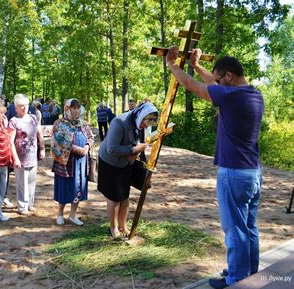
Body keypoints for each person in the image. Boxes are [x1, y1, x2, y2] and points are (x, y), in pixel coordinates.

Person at [166, 46, 264, 289]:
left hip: (234, 173)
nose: (217, 81)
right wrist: (197, 65)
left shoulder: (231, 97)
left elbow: (194, 86)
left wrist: (173, 65)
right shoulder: (253, 94)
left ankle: (237, 280)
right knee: (249, 228)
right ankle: (248, 272)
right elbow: (213, 84)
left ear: (229, 76)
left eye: (220, 77)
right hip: (253, 172)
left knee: (234, 231)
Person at [97, 103, 159, 239]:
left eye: (148, 125)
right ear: (141, 116)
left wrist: (141, 160)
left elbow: (139, 143)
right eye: (145, 123)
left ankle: (123, 226)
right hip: (110, 163)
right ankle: (113, 229)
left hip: (127, 163)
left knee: (124, 196)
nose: (145, 127)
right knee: (114, 198)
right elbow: (112, 149)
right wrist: (134, 150)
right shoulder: (119, 122)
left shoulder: (139, 123)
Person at [52, 99, 94, 226]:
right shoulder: (59, 123)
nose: (76, 110)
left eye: (78, 108)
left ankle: (73, 215)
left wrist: (87, 146)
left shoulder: (83, 124)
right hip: (66, 163)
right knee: (65, 187)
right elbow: (57, 142)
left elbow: (91, 137)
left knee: (78, 187)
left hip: (80, 163)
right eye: (73, 108)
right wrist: (75, 148)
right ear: (66, 109)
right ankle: (60, 214)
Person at [8, 94, 45, 215]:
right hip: (20, 157)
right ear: (16, 107)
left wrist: (42, 148)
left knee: (31, 181)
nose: (24, 108)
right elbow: (10, 142)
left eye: (26, 105)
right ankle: (22, 206)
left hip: (33, 155)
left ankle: (30, 204)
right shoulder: (13, 121)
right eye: (21, 106)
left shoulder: (33, 118)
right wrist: (15, 158)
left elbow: (39, 133)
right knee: (22, 183)